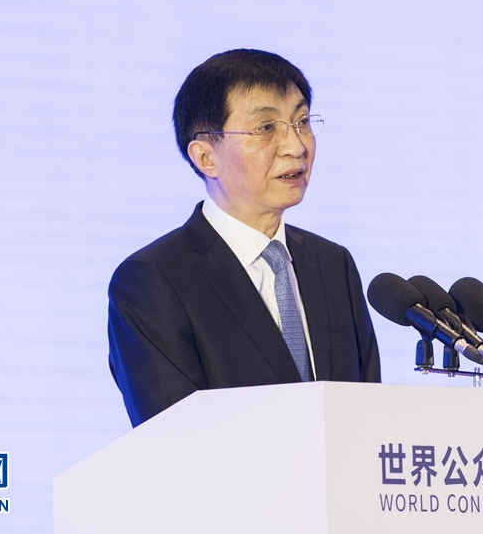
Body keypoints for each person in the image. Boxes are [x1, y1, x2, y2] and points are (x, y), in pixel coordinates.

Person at [108, 49, 381, 426]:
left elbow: (367, 418)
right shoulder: (153, 280)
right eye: (266, 128)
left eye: (301, 122)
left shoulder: (332, 264)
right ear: (206, 158)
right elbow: (172, 436)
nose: (296, 146)